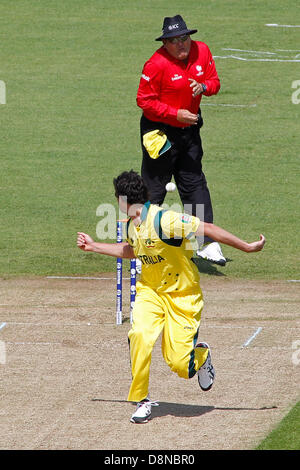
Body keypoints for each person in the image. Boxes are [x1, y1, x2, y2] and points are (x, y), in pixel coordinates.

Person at [77, 170, 265, 424]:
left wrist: (247, 246)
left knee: (180, 365)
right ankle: (142, 400)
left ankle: (201, 356)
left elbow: (207, 228)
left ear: (123, 201)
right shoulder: (131, 224)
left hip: (183, 296)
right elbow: (134, 251)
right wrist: (94, 246)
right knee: (140, 336)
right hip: (150, 291)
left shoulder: (165, 221)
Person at [136, 14, 226, 267]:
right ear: (165, 43)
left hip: (190, 129)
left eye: (184, 38)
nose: (181, 44)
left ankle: (207, 243)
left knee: (194, 184)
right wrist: (174, 113)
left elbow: (215, 82)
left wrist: (204, 87)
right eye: (174, 40)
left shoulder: (203, 51)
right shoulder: (155, 64)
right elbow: (144, 101)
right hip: (159, 132)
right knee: (154, 187)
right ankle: (141, 241)